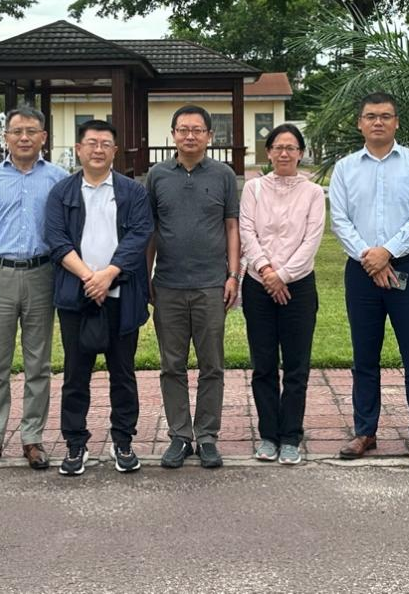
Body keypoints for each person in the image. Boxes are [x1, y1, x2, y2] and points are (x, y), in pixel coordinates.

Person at [330, 92, 409, 468]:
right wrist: (371, 258)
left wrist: (387, 252)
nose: (378, 122)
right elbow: (339, 219)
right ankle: (365, 431)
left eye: (386, 116)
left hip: (408, 268)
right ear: (360, 123)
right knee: (364, 356)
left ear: (396, 122)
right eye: (371, 116)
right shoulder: (345, 168)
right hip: (361, 272)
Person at [45, 119, 153, 476]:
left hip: (122, 295)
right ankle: (75, 444)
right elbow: (57, 239)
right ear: (78, 149)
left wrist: (108, 275)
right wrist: (89, 278)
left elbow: (139, 235)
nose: (98, 149)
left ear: (115, 151)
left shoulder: (132, 192)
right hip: (76, 297)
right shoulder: (62, 192)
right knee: (76, 374)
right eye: (91, 143)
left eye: (106, 144)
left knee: (123, 374)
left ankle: (123, 441)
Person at [0, 106, 67, 473]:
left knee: (39, 363)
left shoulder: (58, 178)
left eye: (31, 131)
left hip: (42, 274)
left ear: (43, 137)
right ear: (6, 137)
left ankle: (32, 438)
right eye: (17, 131)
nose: (24, 137)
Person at [147, 104, 240, 469]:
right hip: (168, 285)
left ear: (209, 136)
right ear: (173, 135)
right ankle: (180, 435)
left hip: (211, 286)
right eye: (183, 129)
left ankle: (207, 436)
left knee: (211, 364)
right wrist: (146, 276)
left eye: (197, 130)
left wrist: (233, 275)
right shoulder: (157, 176)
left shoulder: (223, 175)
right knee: (172, 365)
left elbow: (231, 226)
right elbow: (151, 230)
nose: (190, 135)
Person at [238, 123, 325, 466]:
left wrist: (283, 276)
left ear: (300, 153)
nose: (284, 153)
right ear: (269, 153)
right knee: (263, 365)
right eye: (278, 147)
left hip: (298, 286)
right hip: (258, 284)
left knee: (296, 365)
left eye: (291, 148)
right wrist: (266, 272)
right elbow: (247, 232)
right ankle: (268, 436)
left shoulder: (313, 193)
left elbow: (312, 239)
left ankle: (290, 436)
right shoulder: (254, 188)